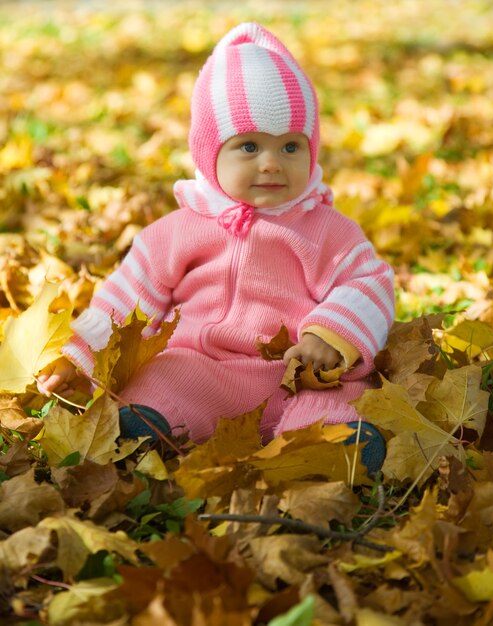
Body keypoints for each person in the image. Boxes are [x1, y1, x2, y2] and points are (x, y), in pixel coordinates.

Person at [37, 22, 395, 473]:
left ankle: (330, 447)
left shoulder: (326, 229)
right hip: (205, 365)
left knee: (338, 398)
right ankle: (150, 426)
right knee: (165, 378)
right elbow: (125, 299)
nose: (271, 163)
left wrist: (329, 334)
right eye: (248, 146)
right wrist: (80, 355)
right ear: (210, 153)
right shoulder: (178, 230)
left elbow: (370, 281)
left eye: (290, 146)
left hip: (299, 374)